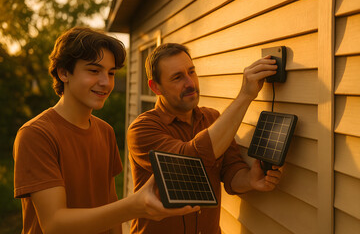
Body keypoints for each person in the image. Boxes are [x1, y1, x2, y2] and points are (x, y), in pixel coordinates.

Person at [13, 28, 199, 234]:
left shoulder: (105, 131)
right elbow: (54, 224)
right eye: (94, 71)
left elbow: (110, 206)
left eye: (111, 73)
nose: (105, 82)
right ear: (63, 72)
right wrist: (133, 207)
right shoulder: (36, 134)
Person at [127, 43, 283, 233]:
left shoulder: (212, 119)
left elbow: (231, 171)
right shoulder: (142, 129)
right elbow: (188, 161)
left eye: (191, 72)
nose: (190, 83)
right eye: (177, 77)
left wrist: (250, 179)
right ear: (156, 87)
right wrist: (245, 96)